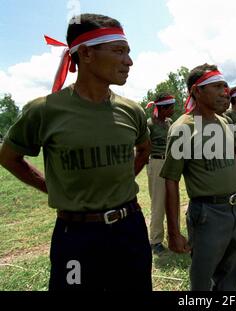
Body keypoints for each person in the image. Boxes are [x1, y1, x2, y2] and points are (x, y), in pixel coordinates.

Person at [0, 14, 152, 291]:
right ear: (85, 53)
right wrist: (50, 188)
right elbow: (9, 157)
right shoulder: (44, 110)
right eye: (119, 51)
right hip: (77, 237)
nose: (128, 61)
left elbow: (144, 149)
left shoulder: (132, 110)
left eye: (128, 52)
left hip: (130, 230)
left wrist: (119, 182)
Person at [160, 64, 236, 291]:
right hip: (209, 213)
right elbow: (171, 180)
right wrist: (174, 232)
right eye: (216, 87)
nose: (224, 92)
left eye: (224, 86)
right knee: (202, 277)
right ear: (197, 91)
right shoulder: (183, 128)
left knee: (231, 272)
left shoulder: (225, 122)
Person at [145, 94, 175, 255]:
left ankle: (173, 236)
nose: (173, 110)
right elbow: (143, 145)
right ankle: (155, 240)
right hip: (156, 162)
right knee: (158, 203)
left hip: (170, 161)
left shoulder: (170, 123)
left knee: (172, 201)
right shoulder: (149, 124)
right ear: (162, 108)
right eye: (170, 107)